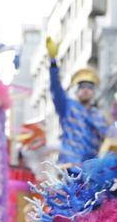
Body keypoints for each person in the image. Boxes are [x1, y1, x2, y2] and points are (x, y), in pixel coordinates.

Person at [46, 36, 108, 166]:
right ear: (77, 90)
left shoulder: (99, 116)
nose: (86, 90)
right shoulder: (68, 107)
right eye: (82, 86)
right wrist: (53, 62)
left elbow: (108, 139)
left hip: (91, 168)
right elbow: (55, 88)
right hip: (69, 167)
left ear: (94, 91)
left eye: (90, 87)